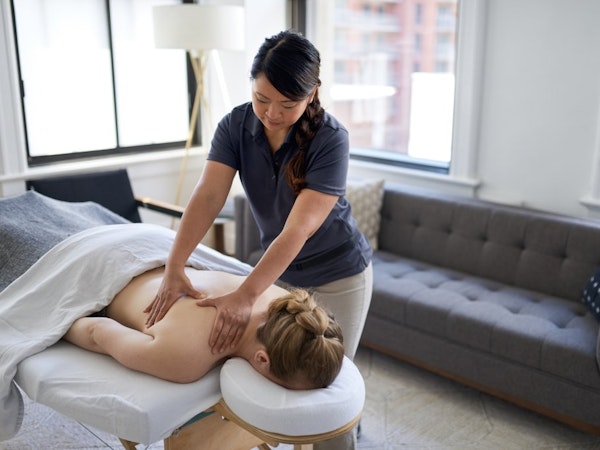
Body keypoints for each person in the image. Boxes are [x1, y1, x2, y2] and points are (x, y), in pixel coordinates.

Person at [145, 30, 372, 449]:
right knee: (268, 379)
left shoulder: (331, 139)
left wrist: (248, 294)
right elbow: (208, 195)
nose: (271, 113)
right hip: (280, 274)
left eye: (287, 104)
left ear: (312, 93)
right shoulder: (235, 125)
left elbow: (298, 229)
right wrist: (174, 266)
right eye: (261, 98)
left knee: (322, 393)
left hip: (339, 274)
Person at [64, 266, 344, 390]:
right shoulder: (186, 359)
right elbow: (95, 332)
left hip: (148, 248)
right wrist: (52, 325)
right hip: (100, 269)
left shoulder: (277, 297)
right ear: (262, 359)